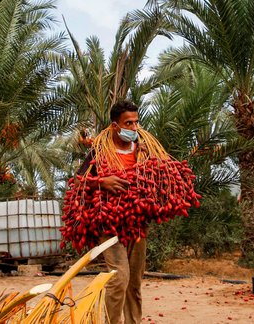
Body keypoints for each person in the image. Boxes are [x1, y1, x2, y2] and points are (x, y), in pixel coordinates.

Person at [77, 100, 148, 324]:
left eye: (136, 122)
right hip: (110, 225)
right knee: (119, 279)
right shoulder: (99, 151)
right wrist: (101, 182)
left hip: (137, 224)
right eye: (129, 123)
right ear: (115, 125)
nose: (134, 128)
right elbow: (77, 181)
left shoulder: (142, 149)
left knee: (134, 283)